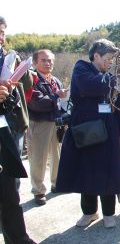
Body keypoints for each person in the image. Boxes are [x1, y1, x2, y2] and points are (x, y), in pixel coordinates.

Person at [56, 39, 120, 228]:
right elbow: (89, 86)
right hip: (87, 128)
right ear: (96, 56)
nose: (110, 62)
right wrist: (117, 79)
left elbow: (117, 98)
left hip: (108, 128)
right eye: (108, 58)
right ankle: (89, 212)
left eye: (112, 59)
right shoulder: (82, 68)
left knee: (107, 170)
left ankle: (109, 214)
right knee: (87, 169)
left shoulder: (107, 75)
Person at [0, 15, 36, 244]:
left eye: (2, 32)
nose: (0, 37)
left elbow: (27, 88)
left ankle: (18, 237)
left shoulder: (7, 57)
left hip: (7, 127)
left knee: (9, 187)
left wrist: (23, 74)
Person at [26, 49, 67, 206]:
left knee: (57, 155)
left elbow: (61, 102)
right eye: (44, 60)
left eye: (50, 60)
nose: (48, 63)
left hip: (55, 123)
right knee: (38, 158)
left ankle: (56, 183)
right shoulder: (31, 79)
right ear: (35, 63)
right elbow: (36, 103)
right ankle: (38, 191)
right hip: (38, 123)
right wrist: (56, 95)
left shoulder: (55, 80)